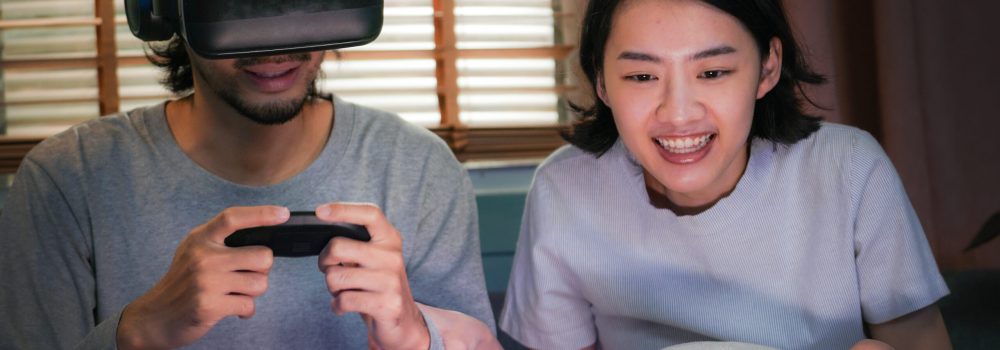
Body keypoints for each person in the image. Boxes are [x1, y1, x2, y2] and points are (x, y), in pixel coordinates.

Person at [0, 25, 499, 350]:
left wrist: (416, 337)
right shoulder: (66, 179)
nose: (272, 44)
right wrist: (140, 331)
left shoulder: (418, 167)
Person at [499, 0, 952, 349]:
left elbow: (916, 341)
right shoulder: (564, 190)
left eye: (712, 71)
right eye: (641, 76)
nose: (677, 114)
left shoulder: (849, 169)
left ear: (767, 67)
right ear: (601, 81)